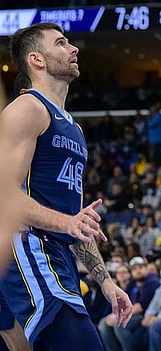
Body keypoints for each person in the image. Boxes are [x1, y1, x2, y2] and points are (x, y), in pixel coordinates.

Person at [0, 22, 133, 350]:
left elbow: (76, 220)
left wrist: (105, 281)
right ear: (37, 59)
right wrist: (67, 222)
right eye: (61, 43)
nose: (73, 49)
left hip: (54, 254)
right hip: (27, 248)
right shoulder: (27, 108)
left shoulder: (72, 127)